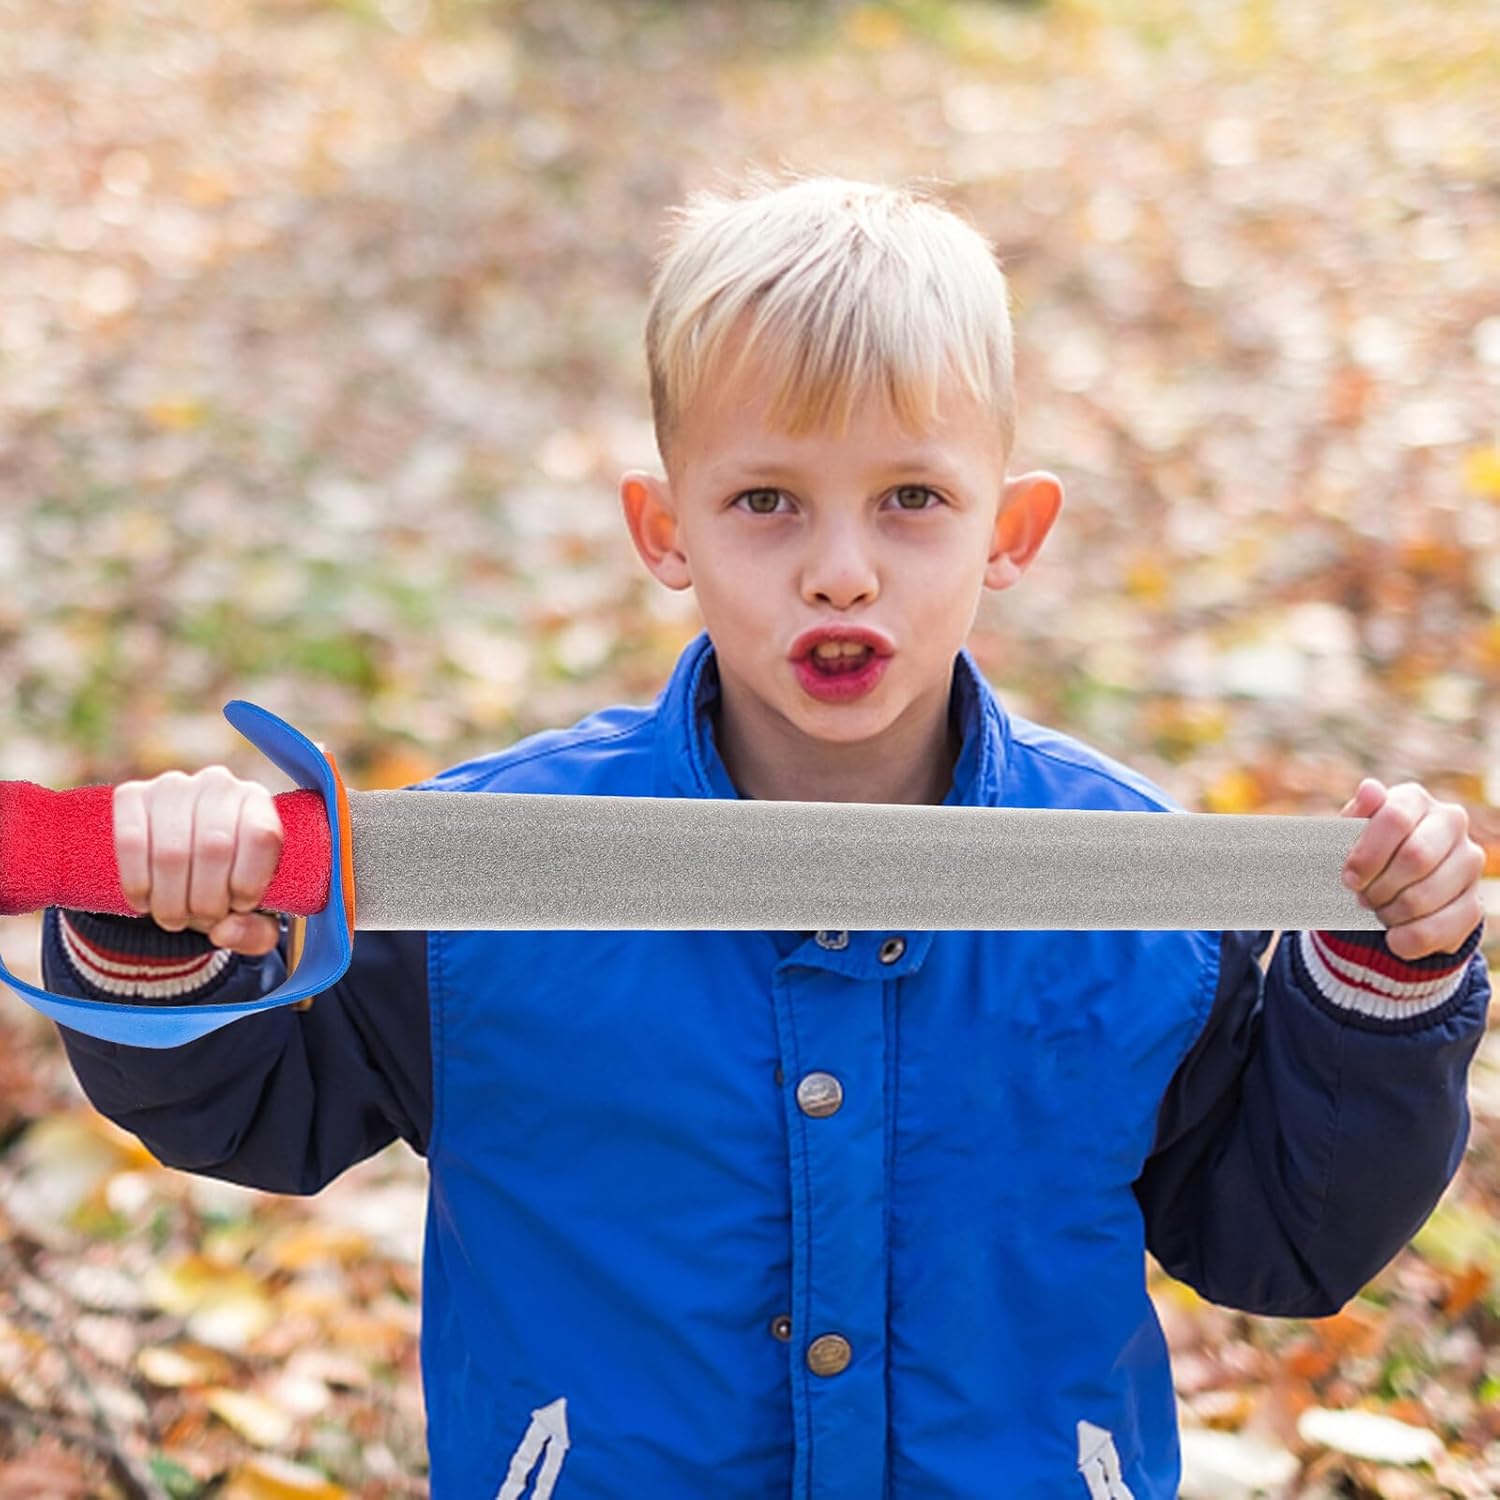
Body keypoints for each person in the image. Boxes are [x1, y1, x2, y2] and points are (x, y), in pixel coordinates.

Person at [43, 172, 1490, 1500]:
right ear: (665, 529)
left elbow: (1282, 1236)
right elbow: (254, 1107)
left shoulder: (1134, 894)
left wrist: (1385, 987)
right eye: (766, 502)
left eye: (912, 499)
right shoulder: (492, 877)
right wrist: (157, 924)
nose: (841, 570)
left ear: (1011, 529)